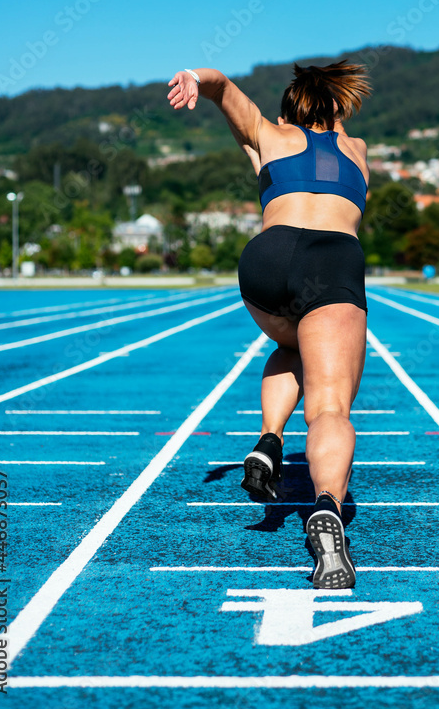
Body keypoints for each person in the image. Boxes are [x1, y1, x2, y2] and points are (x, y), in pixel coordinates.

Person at [167, 60, 371, 588]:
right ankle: (326, 511)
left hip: (266, 261)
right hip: (331, 261)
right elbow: (334, 141)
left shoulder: (269, 137)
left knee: (295, 344)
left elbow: (222, 88)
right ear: (338, 110)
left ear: (287, 114)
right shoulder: (358, 151)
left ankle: (269, 439)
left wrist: (194, 77)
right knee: (329, 406)